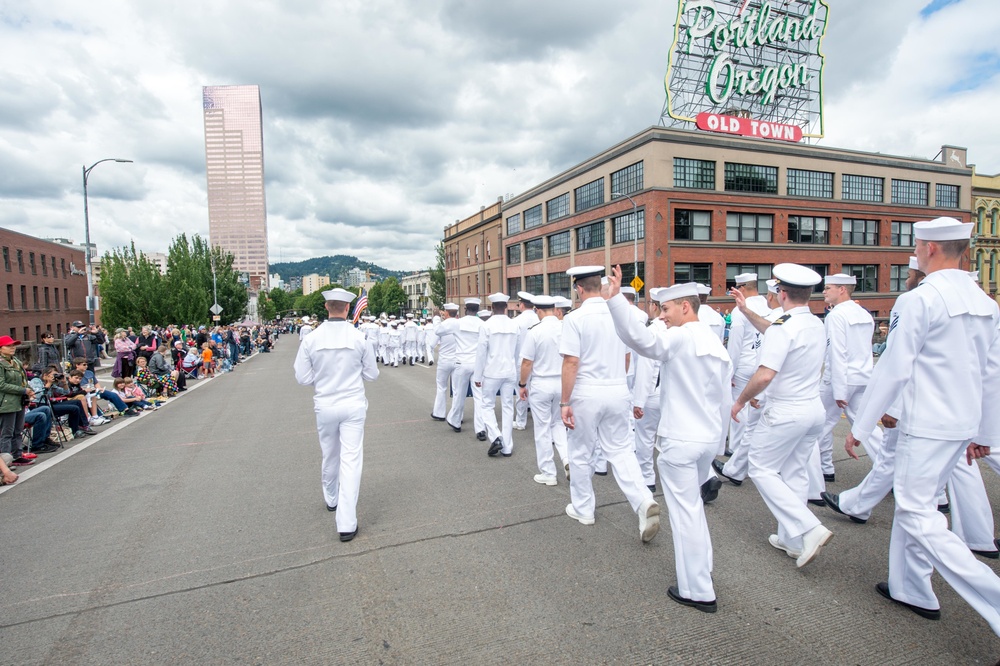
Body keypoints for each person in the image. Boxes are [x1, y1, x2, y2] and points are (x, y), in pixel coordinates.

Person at [846, 217, 1000, 631]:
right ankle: (910, 587)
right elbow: (992, 373)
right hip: (962, 424)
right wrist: (985, 434)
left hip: (927, 424)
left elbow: (894, 368)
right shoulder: (987, 302)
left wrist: (861, 427)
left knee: (917, 514)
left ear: (930, 249)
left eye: (916, 245)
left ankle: (994, 597)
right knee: (922, 503)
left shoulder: (918, 300)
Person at [607, 272, 732, 613]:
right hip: (706, 439)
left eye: (666, 309)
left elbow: (642, 342)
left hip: (681, 440)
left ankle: (698, 590)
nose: (662, 315)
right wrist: (718, 445)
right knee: (695, 516)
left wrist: (615, 298)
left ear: (686, 307)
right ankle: (701, 573)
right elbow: (724, 399)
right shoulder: (713, 341)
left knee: (686, 517)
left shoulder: (681, 337)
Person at [730, 263, 833, 568]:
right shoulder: (814, 323)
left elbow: (764, 375)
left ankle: (809, 528)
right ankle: (791, 539)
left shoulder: (783, 327)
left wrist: (740, 401)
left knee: (761, 469)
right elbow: (773, 329)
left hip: (786, 411)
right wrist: (746, 310)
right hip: (812, 410)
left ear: (782, 293)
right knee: (795, 472)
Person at [559, 266, 660, 543]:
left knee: (580, 452)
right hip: (617, 389)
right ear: (600, 286)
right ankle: (642, 500)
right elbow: (628, 357)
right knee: (621, 451)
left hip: (586, 391)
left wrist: (565, 401)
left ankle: (584, 509)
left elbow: (571, 362)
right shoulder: (620, 313)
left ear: (579, 288)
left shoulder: (575, 318)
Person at [294, 288, 379, 542]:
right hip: (352, 403)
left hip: (326, 403)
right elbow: (372, 374)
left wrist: (321, 381)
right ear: (348, 309)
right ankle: (346, 521)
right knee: (351, 460)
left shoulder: (311, 338)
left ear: (326, 308)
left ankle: (331, 497)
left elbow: (302, 377)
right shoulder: (359, 338)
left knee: (330, 453)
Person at [816, 274, 883, 483]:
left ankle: (824, 467)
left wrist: (839, 389)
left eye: (828, 288)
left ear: (842, 289)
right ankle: (888, 468)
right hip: (863, 376)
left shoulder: (836, 315)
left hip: (841, 377)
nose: (824, 292)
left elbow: (837, 353)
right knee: (866, 426)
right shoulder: (864, 313)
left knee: (821, 423)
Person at [518, 295, 569, 485]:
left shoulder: (535, 331)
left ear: (537, 310)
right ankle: (566, 458)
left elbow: (526, 363)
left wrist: (522, 384)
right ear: (554, 308)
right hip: (562, 382)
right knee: (558, 424)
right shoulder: (565, 328)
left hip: (541, 383)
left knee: (542, 428)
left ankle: (548, 472)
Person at [725, 274, 771, 474]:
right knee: (757, 413)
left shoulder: (739, 310)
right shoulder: (768, 306)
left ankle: (736, 450)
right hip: (763, 363)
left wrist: (729, 372)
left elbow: (734, 345)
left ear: (742, 288)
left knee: (738, 410)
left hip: (743, 364)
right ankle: (754, 451)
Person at [474, 292, 520, 457]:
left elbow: (481, 353)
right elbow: (518, 352)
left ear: (492, 307)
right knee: (508, 407)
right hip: (510, 371)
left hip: (492, 372)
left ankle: (496, 436)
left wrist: (477, 377)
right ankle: (507, 447)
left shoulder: (486, 326)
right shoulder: (514, 325)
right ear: (506, 307)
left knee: (487, 405)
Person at [446, 298, 485, 436]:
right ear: (478, 310)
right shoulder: (483, 324)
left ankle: (456, 421)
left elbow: (439, 331)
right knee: (479, 396)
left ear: (465, 309)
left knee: (459, 394)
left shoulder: (457, 323)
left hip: (462, 362)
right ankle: (480, 429)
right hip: (477, 364)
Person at [0, 335, 34, 466]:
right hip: (6, 402)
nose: (12, 348)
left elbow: (23, 380)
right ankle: (6, 461)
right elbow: (1, 385)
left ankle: (17, 455)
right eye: (8, 346)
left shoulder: (15, 361)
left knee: (18, 430)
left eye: (13, 345)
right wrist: (23, 390)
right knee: (6, 432)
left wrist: (29, 390)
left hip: (19, 400)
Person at [512, 292, 539, 431]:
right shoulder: (538, 318)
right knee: (535, 390)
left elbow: (513, 343)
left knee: (521, 390)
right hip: (538, 361)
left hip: (521, 360)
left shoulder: (516, 321)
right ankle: (537, 418)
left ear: (521, 305)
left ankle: (521, 421)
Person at [430, 304, 459, 422]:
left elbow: (432, 344)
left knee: (441, 387)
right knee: (457, 389)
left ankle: (439, 413)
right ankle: (457, 416)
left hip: (444, 360)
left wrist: (436, 318)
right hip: (458, 360)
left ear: (446, 313)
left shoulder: (442, 326)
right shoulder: (460, 324)